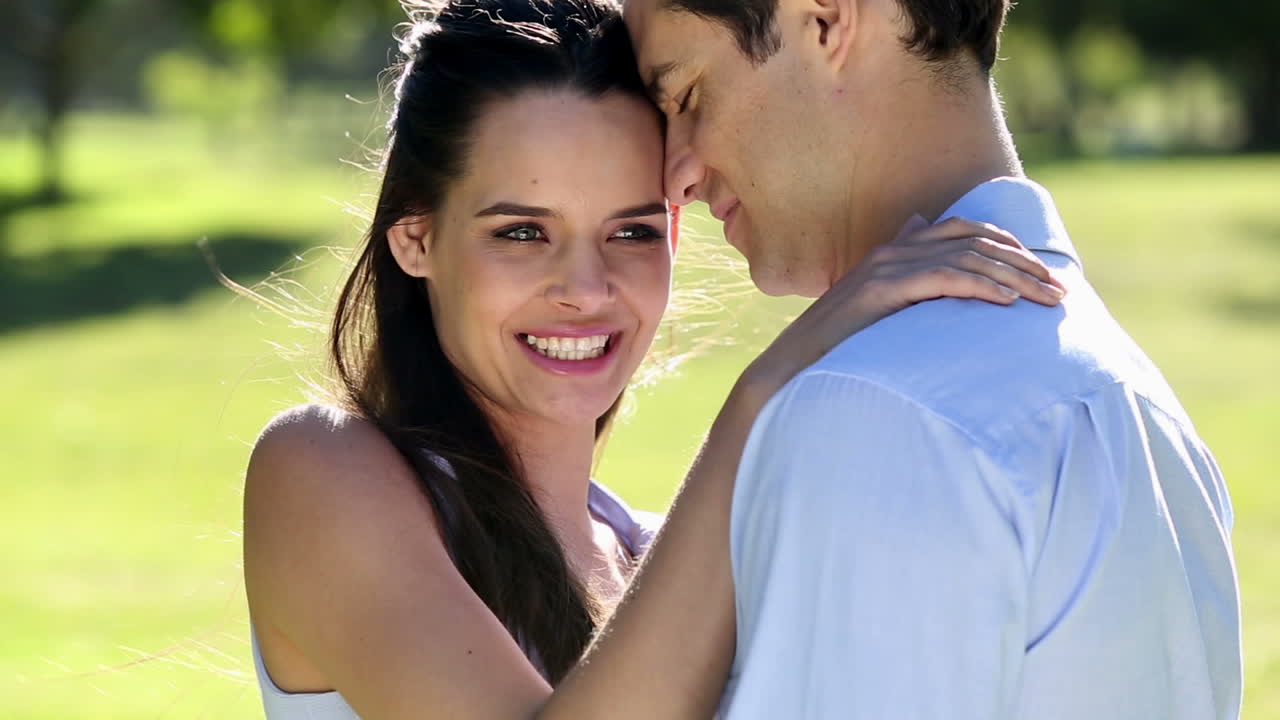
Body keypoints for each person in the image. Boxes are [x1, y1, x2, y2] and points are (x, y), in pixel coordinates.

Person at [241, 1, 1064, 718]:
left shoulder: (659, 557)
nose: (585, 288)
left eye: (631, 231)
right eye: (522, 232)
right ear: (417, 239)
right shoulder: (320, 473)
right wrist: (766, 391)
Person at [605, 0, 1242, 718]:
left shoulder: (875, 413)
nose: (674, 176)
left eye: (688, 95)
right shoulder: (1139, 403)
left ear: (825, 19)